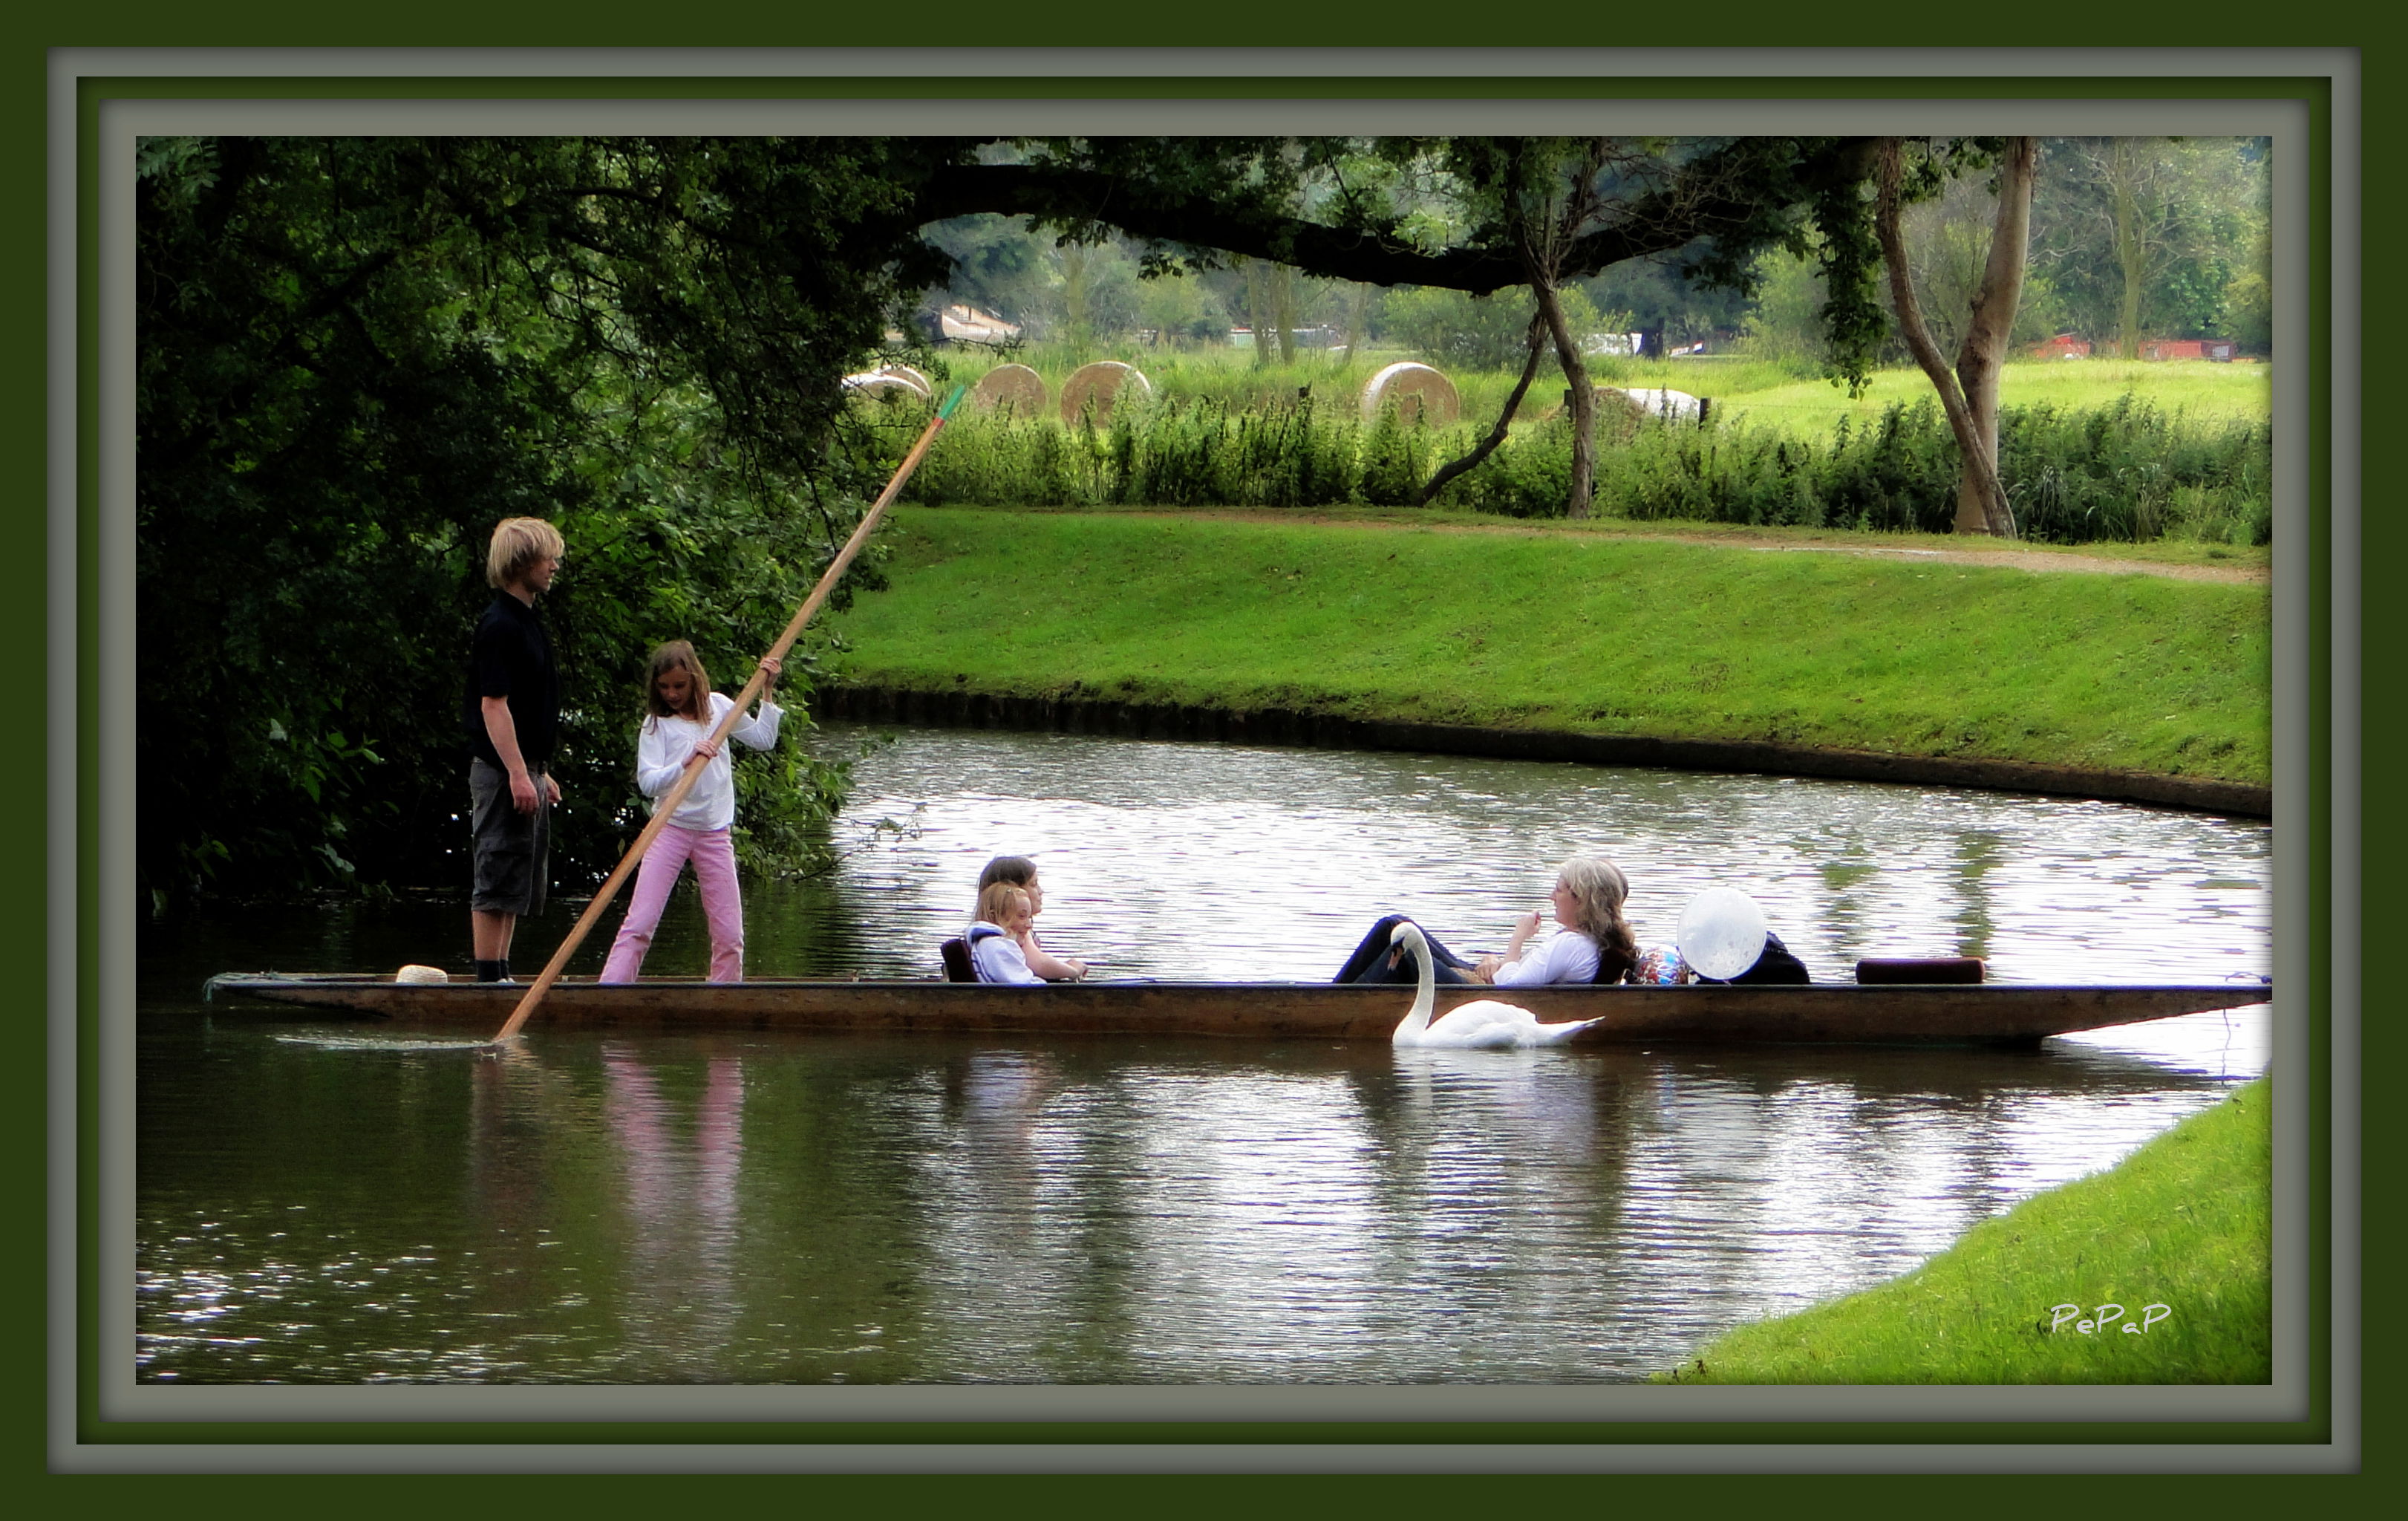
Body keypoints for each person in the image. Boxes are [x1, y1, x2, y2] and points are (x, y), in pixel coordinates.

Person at [598, 641, 784, 983]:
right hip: (669, 827)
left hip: (714, 831)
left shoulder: (719, 707)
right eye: (665, 687)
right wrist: (683, 765)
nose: (672, 694)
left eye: (679, 686)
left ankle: (724, 997)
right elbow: (648, 784)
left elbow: (763, 739)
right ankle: (611, 991)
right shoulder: (656, 724)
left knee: (730, 935)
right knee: (639, 925)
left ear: (695, 680)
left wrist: (768, 692)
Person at [464, 517, 564, 984]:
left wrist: (539, 771)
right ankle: (488, 981)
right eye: (548, 557)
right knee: (497, 864)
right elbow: (494, 705)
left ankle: (501, 975)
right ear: (521, 562)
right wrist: (518, 774)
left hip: (526, 768)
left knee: (517, 876)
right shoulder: (500, 624)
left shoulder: (528, 621)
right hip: (502, 770)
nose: (554, 566)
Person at [1331, 855, 1647, 988]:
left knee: (1407, 951)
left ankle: (1338, 1007)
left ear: (1580, 900)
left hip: (1489, 1000)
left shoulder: (1572, 945)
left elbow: (1511, 989)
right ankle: (1335, 993)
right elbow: (1520, 975)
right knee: (1396, 925)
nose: (1552, 896)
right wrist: (1495, 963)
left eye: (1560, 890)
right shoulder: (1581, 940)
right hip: (1491, 985)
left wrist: (1517, 939)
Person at [975, 854, 1087, 980]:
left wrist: (1063, 966)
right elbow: (1039, 963)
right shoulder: (1015, 932)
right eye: (1034, 884)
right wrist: (1073, 970)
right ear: (1013, 891)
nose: (1040, 891)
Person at [966, 881, 1045, 985]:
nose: (1029, 925)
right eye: (1021, 916)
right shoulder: (998, 947)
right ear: (996, 916)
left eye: (1029, 918)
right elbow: (1022, 985)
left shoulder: (992, 944)